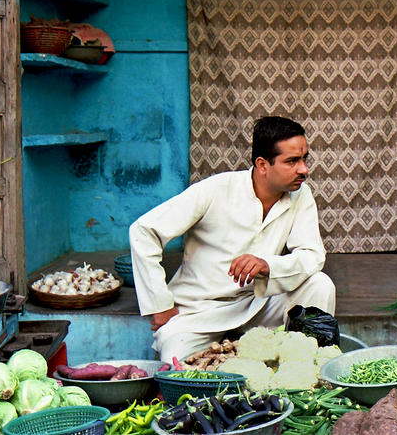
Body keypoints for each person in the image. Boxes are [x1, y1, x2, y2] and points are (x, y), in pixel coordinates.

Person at [129, 116, 336, 364]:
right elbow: (144, 231)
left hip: (257, 304)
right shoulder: (216, 189)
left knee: (319, 284)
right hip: (200, 311)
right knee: (177, 360)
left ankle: (306, 365)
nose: (304, 169)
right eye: (292, 161)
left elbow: (312, 255)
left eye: (304, 159)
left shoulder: (300, 195)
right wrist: (159, 304)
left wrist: (268, 265)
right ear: (262, 165)